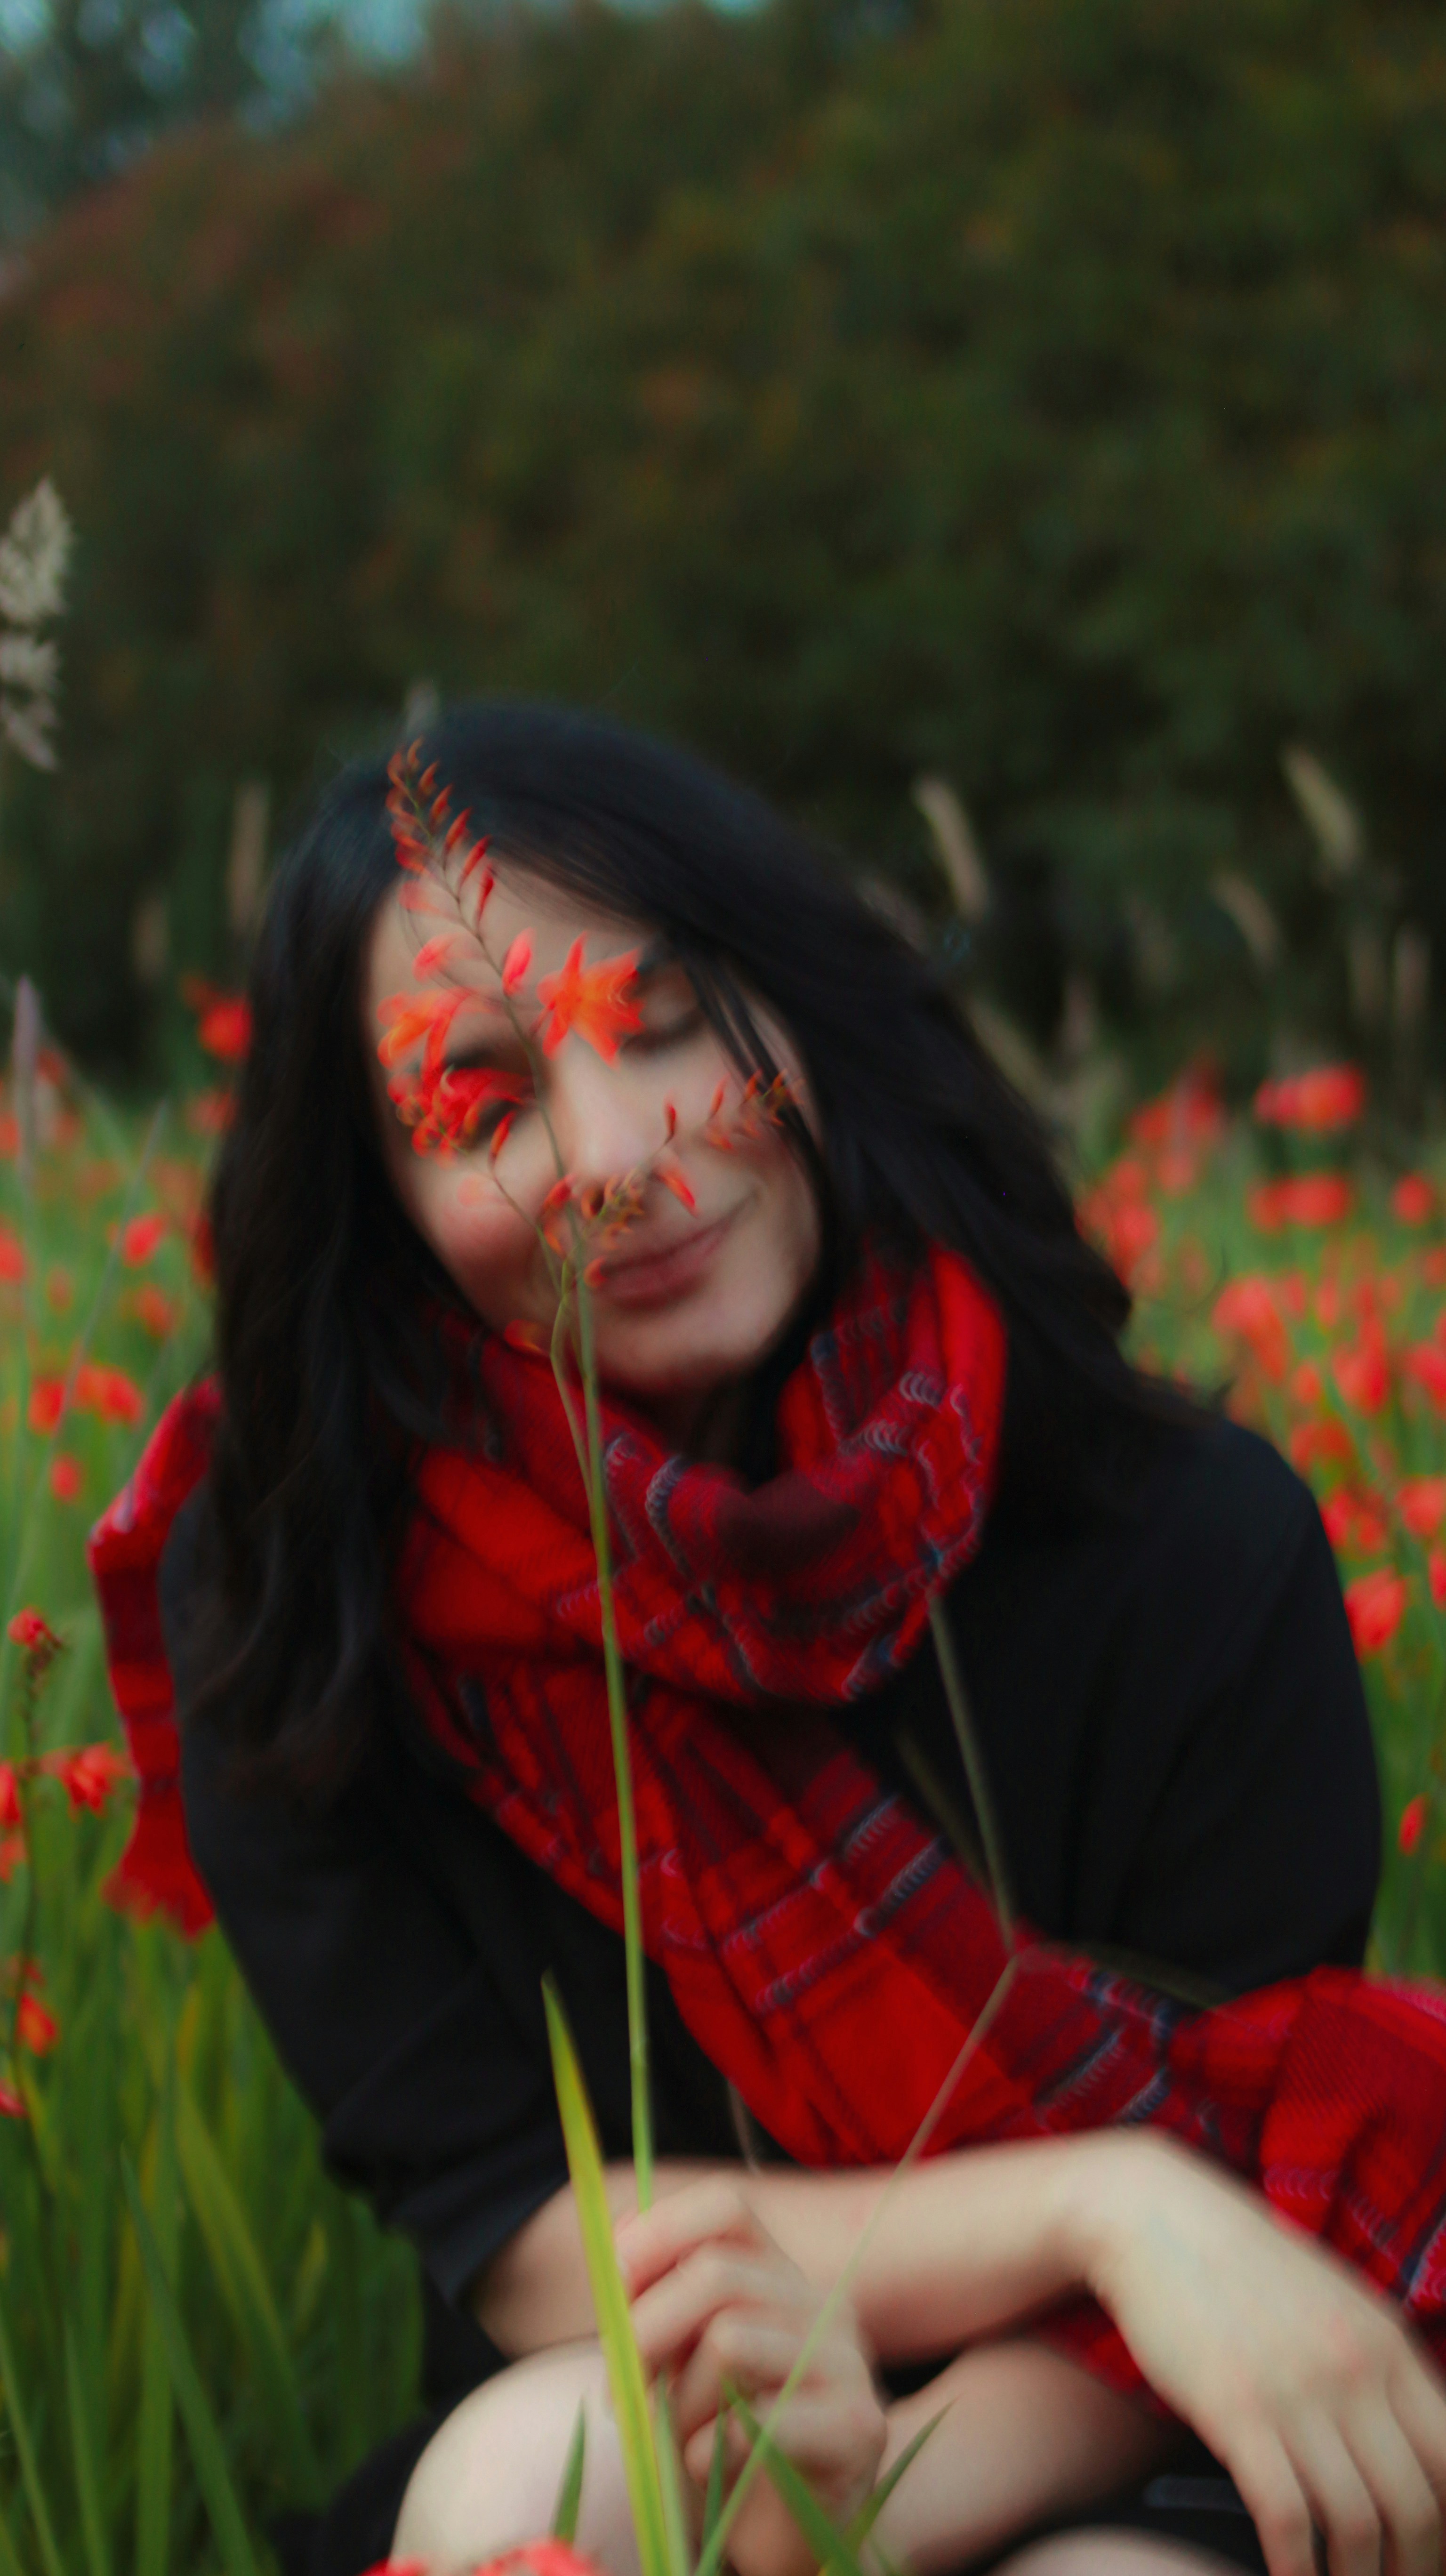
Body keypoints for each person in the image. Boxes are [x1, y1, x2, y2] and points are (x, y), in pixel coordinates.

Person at [90, 703, 1445, 2576]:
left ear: (805, 1015)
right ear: (379, 1198)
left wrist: (870, 2511)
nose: (623, 1153)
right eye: (482, 1098)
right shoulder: (300, 1598)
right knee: (541, 2484)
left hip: (1132, 2407)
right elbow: (528, 2232)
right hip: (623, 2377)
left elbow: (1261, 2223)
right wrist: (1105, 2201)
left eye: (664, 1023)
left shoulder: (1194, 1547)